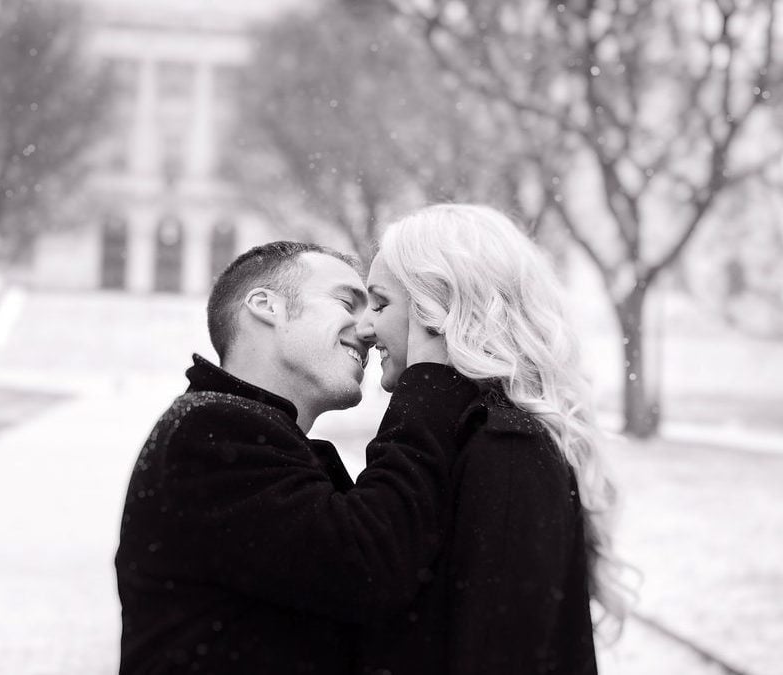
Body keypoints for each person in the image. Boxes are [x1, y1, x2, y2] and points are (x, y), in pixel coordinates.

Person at [115, 241, 481, 674]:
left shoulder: (232, 429)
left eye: (376, 307)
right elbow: (370, 567)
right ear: (266, 305)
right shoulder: (208, 434)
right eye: (348, 301)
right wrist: (429, 385)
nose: (368, 329)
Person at [356, 204, 629, 674]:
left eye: (380, 304)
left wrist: (423, 383)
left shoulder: (506, 447)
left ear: (437, 314)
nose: (364, 328)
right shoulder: (480, 435)